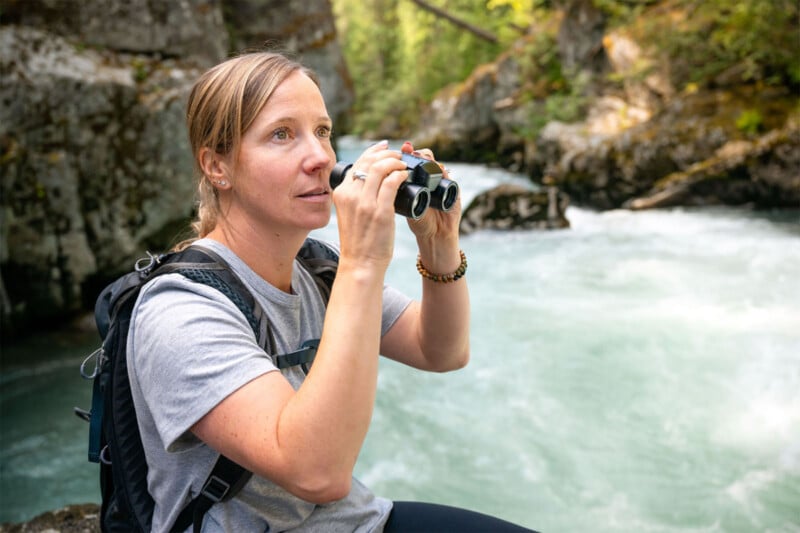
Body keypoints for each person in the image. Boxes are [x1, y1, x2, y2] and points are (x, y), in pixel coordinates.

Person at [127, 50, 534, 532]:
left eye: (322, 131)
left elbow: (441, 349)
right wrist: (363, 262)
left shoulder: (314, 269)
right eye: (282, 134)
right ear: (218, 167)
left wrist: (439, 242)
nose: (321, 157)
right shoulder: (180, 312)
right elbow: (316, 473)